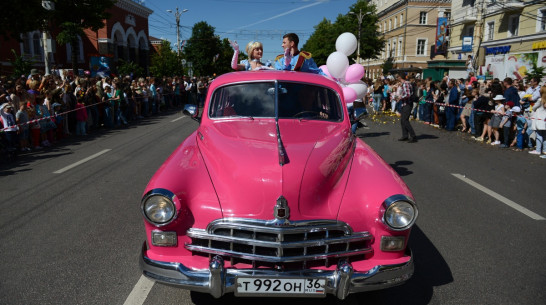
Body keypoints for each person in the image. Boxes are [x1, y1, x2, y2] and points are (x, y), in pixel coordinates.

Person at [396, 73, 417, 143]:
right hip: (405, 104)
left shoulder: (406, 84)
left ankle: (413, 136)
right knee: (402, 120)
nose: (397, 79)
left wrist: (400, 98)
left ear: (400, 77)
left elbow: (408, 94)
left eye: (397, 77)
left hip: (407, 104)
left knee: (405, 120)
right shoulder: (404, 84)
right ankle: (405, 135)